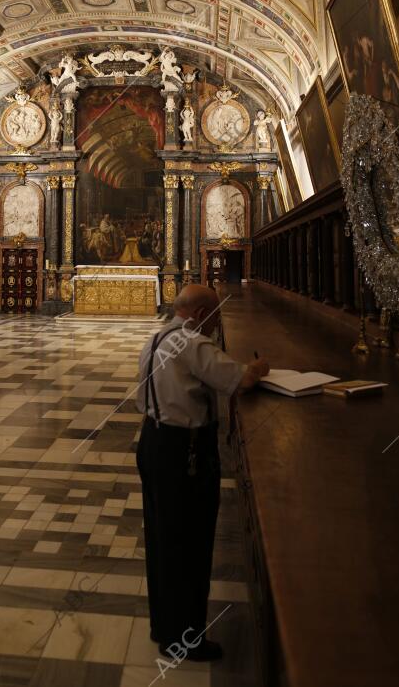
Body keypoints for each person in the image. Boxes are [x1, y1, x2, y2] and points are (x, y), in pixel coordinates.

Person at [136, 284, 269, 662]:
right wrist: (259, 368)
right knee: (190, 545)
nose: (216, 325)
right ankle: (185, 640)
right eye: (214, 316)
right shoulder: (193, 344)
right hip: (185, 451)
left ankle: (164, 626)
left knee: (163, 539)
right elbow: (239, 379)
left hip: (153, 442)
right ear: (198, 314)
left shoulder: (157, 337)